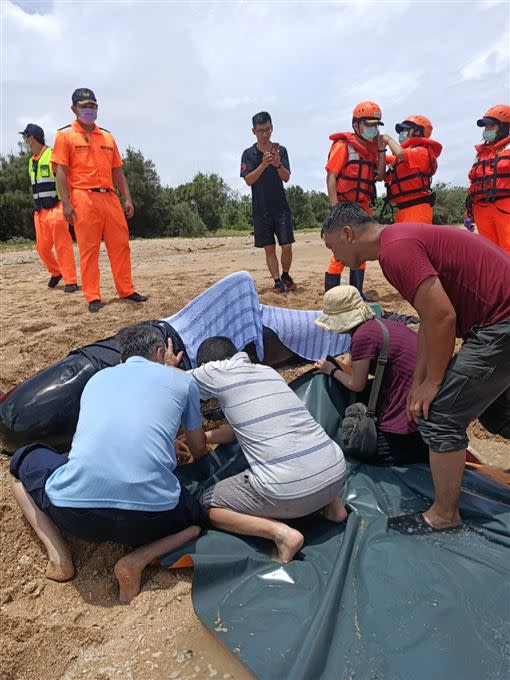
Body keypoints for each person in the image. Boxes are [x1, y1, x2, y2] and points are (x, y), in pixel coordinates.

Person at [321, 202, 510, 532]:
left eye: (331, 245)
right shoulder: (398, 241)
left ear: (347, 233)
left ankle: (444, 515)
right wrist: (418, 381)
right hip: (496, 323)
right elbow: (426, 322)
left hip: (500, 325)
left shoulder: (396, 249)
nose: (333, 254)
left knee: (442, 415)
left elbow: (443, 317)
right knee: (496, 412)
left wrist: (433, 383)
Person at [9, 322, 208, 603]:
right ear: (161, 352)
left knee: (21, 464)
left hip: (75, 516)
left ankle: (59, 555)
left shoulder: (97, 379)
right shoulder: (183, 381)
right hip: (153, 520)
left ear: (121, 357)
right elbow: (199, 449)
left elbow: (108, 430)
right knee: (197, 522)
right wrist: (172, 371)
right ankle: (138, 558)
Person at [184, 336, 348, 562]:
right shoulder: (267, 372)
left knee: (206, 503)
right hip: (337, 472)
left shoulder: (213, 371)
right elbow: (237, 430)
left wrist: (172, 364)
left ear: (206, 363)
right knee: (300, 444)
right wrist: (207, 436)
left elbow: (172, 383)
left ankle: (281, 535)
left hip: (288, 489)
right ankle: (334, 509)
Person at [52, 88, 147, 313]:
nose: (89, 110)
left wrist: (127, 198)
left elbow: (118, 171)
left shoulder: (107, 136)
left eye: (93, 106)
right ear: (74, 109)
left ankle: (126, 289)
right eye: (84, 106)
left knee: (121, 245)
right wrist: (65, 203)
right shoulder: (64, 135)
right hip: (83, 197)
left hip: (110, 197)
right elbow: (61, 172)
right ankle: (93, 295)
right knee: (89, 248)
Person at [314, 286, 428, 465]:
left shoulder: (362, 337)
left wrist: (331, 370)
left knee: (370, 454)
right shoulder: (378, 324)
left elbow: (356, 384)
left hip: (405, 415)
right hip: (423, 404)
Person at [324, 101, 388, 296]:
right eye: (368, 124)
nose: (372, 129)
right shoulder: (343, 146)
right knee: (340, 252)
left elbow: (380, 175)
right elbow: (331, 177)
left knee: (362, 250)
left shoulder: (371, 150)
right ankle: (332, 292)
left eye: (375, 125)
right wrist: (336, 209)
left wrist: (381, 150)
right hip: (344, 206)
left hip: (362, 208)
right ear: (356, 125)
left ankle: (357, 292)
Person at [241, 111, 297, 294]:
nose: (265, 134)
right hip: (260, 209)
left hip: (281, 207)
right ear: (253, 131)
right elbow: (248, 180)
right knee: (269, 248)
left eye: (268, 130)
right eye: (260, 131)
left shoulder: (281, 151)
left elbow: (286, 178)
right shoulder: (248, 154)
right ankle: (277, 282)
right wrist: (263, 165)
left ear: (272, 127)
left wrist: (277, 164)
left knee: (287, 245)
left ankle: (286, 275)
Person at [19, 124, 78, 292]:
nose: (25, 140)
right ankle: (56, 272)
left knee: (62, 245)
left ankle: (71, 280)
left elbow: (65, 178)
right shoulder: (31, 161)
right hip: (39, 211)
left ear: (32, 137)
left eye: (26, 137)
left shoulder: (52, 155)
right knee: (42, 248)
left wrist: (68, 203)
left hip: (56, 207)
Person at [467, 104, 510, 254]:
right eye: (486, 127)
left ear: (504, 127)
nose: (487, 130)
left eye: (491, 126)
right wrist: (468, 213)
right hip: (481, 209)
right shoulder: (481, 154)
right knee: (490, 254)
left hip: (505, 209)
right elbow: (473, 182)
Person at [383, 114, 442, 223]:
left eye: (406, 129)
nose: (402, 133)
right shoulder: (400, 158)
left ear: (418, 132)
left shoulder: (422, 151)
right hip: (402, 210)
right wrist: (379, 149)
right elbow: (386, 159)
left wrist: (388, 139)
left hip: (417, 209)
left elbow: (400, 153)